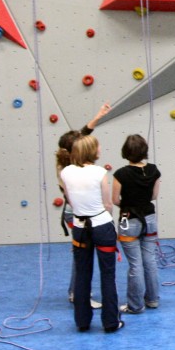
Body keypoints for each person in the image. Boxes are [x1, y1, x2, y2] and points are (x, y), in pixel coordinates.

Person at [61, 135, 122, 333]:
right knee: (108, 274)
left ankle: (82, 321)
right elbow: (107, 204)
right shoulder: (99, 172)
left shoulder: (66, 172)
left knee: (82, 274)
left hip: (80, 228)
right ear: (91, 151)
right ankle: (111, 322)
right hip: (101, 226)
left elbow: (69, 199)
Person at [55, 102, 111, 309]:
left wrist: (98, 115)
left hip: (76, 213)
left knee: (80, 255)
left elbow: (83, 132)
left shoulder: (67, 162)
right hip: (81, 214)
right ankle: (77, 293)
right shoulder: (70, 167)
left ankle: (76, 292)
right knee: (81, 257)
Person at [112, 134, 161, 314]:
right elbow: (154, 196)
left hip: (129, 220)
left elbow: (115, 199)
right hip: (149, 219)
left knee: (135, 264)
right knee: (150, 260)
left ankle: (135, 305)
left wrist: (128, 203)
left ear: (126, 152)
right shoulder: (154, 171)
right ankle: (153, 299)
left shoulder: (120, 174)